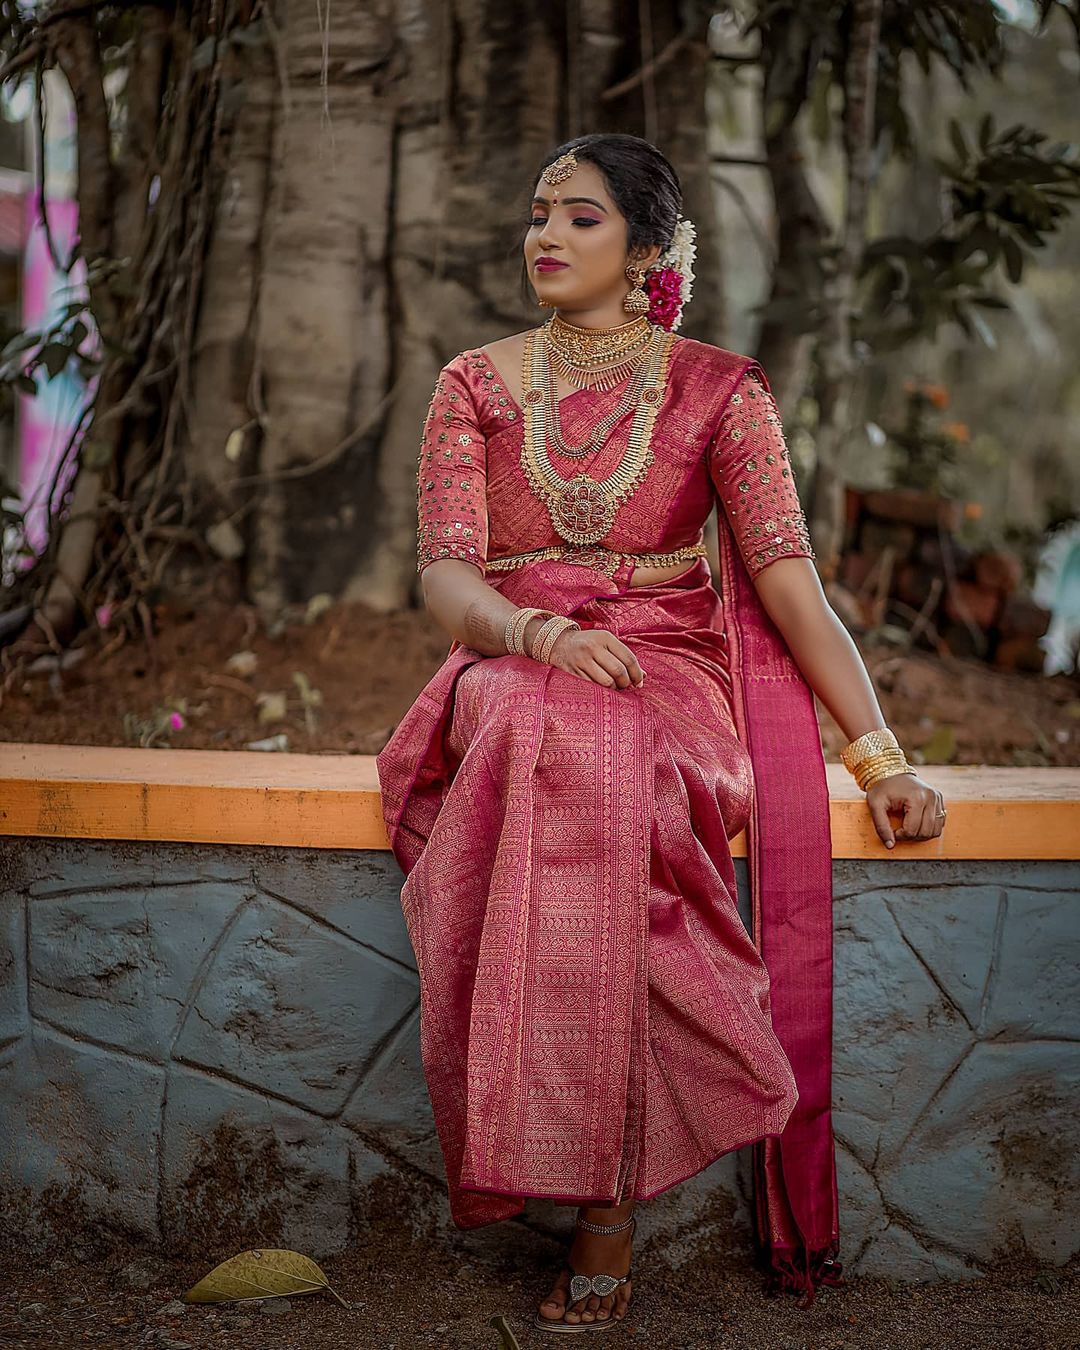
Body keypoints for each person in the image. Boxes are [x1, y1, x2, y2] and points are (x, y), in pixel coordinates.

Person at [376, 133, 947, 1334]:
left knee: (612, 755)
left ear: (647, 249)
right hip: (512, 654)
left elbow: (792, 588)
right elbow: (446, 576)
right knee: (545, 725)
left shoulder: (720, 391)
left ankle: (598, 1205)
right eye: (538, 212)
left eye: (579, 217)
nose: (545, 234)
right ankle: (583, 1186)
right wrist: (535, 637)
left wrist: (879, 753)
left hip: (670, 670)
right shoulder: (474, 382)